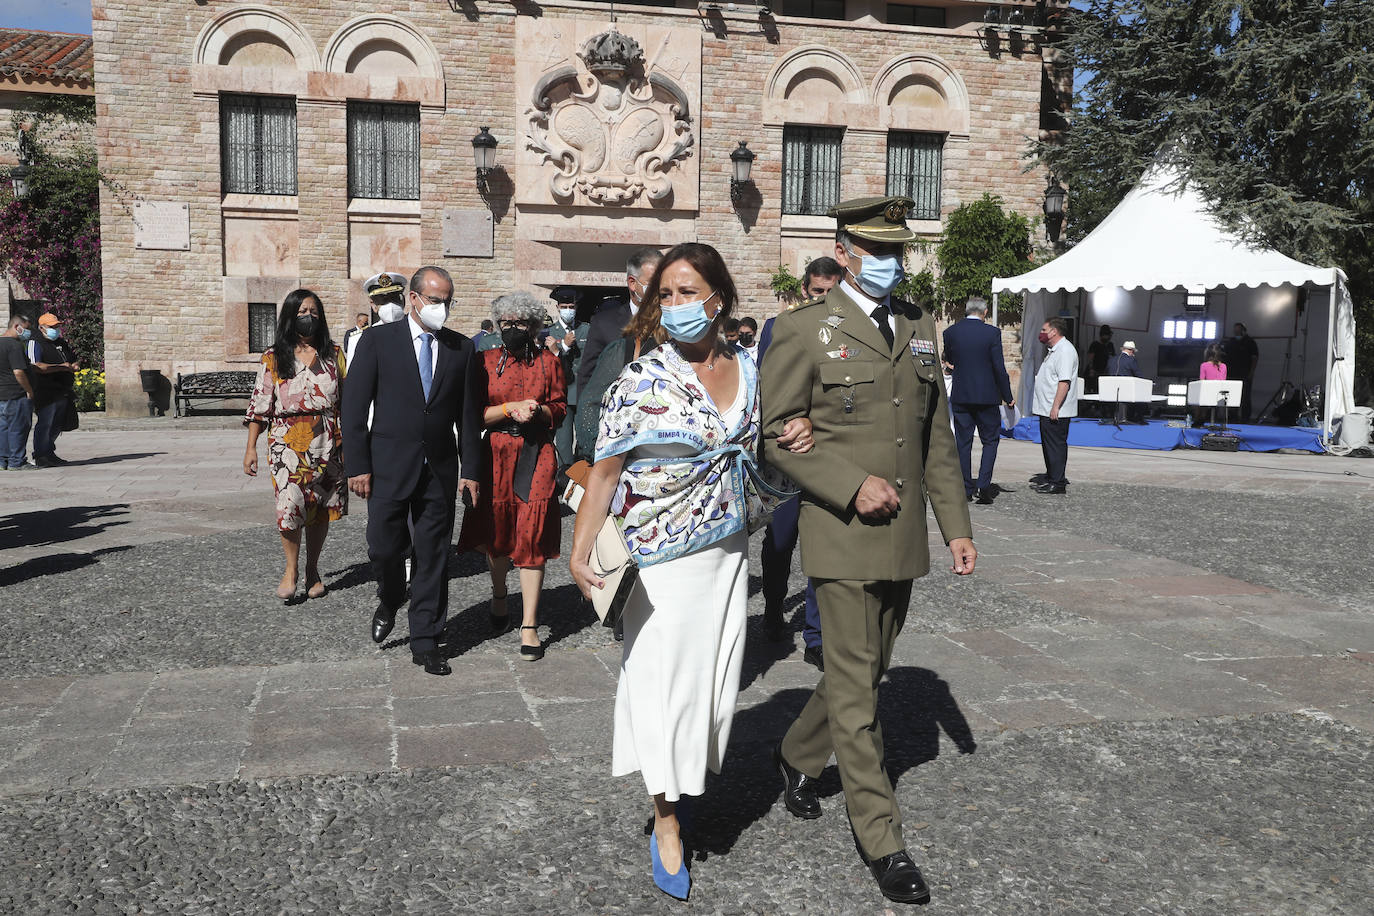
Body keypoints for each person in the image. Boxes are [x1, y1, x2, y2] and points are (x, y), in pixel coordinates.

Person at [570, 242, 812, 901]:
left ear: (720, 298)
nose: (675, 306)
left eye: (687, 292)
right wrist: (581, 544)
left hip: (728, 553)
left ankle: (681, 787)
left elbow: (773, 440)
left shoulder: (754, 373)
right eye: (666, 295)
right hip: (660, 557)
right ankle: (666, 821)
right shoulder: (640, 379)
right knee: (659, 685)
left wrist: (797, 439)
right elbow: (605, 471)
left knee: (709, 687)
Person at [761, 196, 975, 906]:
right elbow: (778, 434)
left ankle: (794, 756)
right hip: (842, 533)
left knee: (868, 669)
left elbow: (934, 436)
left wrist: (957, 526)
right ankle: (882, 840)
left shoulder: (918, 325)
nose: (889, 264)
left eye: (898, 253)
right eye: (876, 251)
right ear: (846, 250)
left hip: (903, 537)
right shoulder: (803, 330)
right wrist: (851, 487)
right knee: (858, 692)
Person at [342, 266, 484, 677]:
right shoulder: (377, 341)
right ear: (414, 299)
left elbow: (468, 415)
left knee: (432, 555)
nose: (442, 308)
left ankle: (426, 639)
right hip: (387, 465)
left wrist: (470, 469)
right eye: (435, 300)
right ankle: (389, 595)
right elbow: (354, 408)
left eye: (448, 301)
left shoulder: (461, 349)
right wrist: (358, 465)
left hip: (438, 468)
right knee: (384, 547)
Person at [458, 292, 567, 662]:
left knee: (532, 533)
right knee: (499, 532)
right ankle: (500, 593)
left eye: (521, 323)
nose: (513, 329)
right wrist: (508, 408)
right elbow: (472, 415)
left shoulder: (550, 363)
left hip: (537, 453)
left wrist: (539, 412)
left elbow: (561, 407)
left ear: (534, 326)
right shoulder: (484, 362)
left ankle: (530, 625)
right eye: (507, 323)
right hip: (496, 454)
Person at [758, 256, 841, 663]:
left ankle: (816, 635)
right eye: (816, 291)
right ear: (804, 290)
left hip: (830, 455)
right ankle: (773, 608)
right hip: (789, 457)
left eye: (831, 292)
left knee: (822, 546)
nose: (823, 299)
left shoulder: (849, 331)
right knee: (780, 541)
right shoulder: (779, 327)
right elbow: (767, 388)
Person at [243, 290, 349, 601]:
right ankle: (290, 569)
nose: (309, 316)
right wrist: (250, 448)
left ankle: (312, 569)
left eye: (315, 311)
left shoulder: (333, 354)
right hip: (286, 442)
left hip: (328, 440)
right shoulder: (275, 356)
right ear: (290, 315)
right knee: (289, 507)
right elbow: (260, 404)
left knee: (318, 507)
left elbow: (349, 402)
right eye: (303, 310)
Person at [942, 296, 1014, 505]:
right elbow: (999, 368)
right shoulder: (992, 333)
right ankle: (983, 485)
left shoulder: (951, 332)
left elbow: (951, 359)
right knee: (990, 440)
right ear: (984, 313)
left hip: (962, 394)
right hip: (987, 396)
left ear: (966, 311)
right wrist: (1007, 396)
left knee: (963, 442)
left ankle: (965, 488)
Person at [576, 247, 662, 398]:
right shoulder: (603, 323)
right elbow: (587, 378)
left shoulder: (672, 321)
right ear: (632, 283)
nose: (661, 289)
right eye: (654, 283)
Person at [1031, 317, 1079, 495]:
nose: (1041, 333)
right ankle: (1052, 475)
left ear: (1053, 332)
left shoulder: (1065, 351)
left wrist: (1055, 406)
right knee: (1049, 445)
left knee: (1055, 445)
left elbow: (1064, 382)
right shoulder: (1054, 350)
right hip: (1046, 407)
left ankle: (1057, 482)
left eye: (1044, 330)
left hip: (1056, 409)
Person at [26, 314, 78, 467]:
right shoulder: (35, 343)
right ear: (41, 327)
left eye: (57, 326)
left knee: (57, 424)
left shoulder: (60, 342)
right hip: (44, 390)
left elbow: (72, 359)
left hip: (62, 390)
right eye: (52, 327)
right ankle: (41, 455)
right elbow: (36, 366)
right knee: (45, 423)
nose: (55, 329)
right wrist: (62, 367)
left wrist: (74, 365)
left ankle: (48, 451)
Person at [546, 287, 588, 471]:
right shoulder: (549, 332)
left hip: (583, 391)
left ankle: (582, 474)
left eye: (571, 306)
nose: (568, 310)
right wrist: (562, 346)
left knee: (584, 437)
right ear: (557, 307)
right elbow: (547, 364)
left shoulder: (587, 329)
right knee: (563, 440)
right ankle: (565, 476)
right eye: (564, 306)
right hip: (561, 392)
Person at [0, 315, 36, 471]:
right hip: (16, 393)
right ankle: (17, 461)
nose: (27, 333)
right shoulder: (14, 346)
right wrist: (29, 391)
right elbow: (18, 372)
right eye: (26, 329)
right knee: (18, 428)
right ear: (17, 327)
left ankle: (2, 461)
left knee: (3, 429)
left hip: (1, 395)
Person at [1222, 322, 1258, 421]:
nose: (1236, 332)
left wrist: (1251, 372)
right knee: (1231, 396)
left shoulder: (1250, 342)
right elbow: (1224, 356)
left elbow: (1254, 358)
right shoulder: (1231, 342)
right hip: (1231, 374)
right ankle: (1232, 416)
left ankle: (1245, 417)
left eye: (1238, 330)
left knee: (1245, 397)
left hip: (1244, 374)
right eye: (1235, 330)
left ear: (1243, 330)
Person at [1197, 343, 1228, 426]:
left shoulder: (1204, 365)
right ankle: (1223, 423)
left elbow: (1202, 382)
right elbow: (1223, 382)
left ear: (1207, 354)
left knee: (1200, 395)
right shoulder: (1224, 366)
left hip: (1207, 395)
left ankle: (1199, 420)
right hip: (1220, 396)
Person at [1084, 324, 1114, 394]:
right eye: (1107, 335)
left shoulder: (1110, 345)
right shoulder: (1095, 344)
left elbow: (1112, 358)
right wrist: (1091, 369)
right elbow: (1090, 357)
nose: (1109, 337)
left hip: (1104, 373)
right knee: (1094, 391)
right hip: (1095, 372)